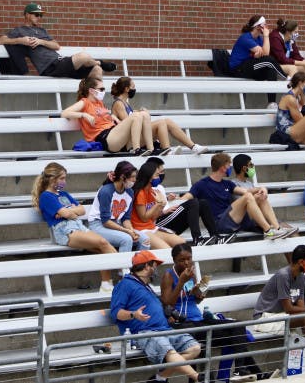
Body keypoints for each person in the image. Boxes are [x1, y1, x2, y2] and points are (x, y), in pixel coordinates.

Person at [160, 243, 265, 381]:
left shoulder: (191, 274)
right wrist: (180, 282)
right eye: (182, 260)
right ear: (174, 260)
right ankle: (258, 373)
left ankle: (240, 370)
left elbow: (194, 301)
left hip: (199, 320)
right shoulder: (168, 275)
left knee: (238, 327)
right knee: (235, 339)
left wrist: (199, 295)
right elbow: (167, 304)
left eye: (189, 259)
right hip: (183, 323)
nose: (186, 262)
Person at [109, 250, 201, 383]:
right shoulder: (125, 284)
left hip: (164, 329)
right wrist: (133, 314)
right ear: (146, 266)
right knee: (169, 352)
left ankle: (160, 377)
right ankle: (198, 377)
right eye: (154, 264)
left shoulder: (145, 285)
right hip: (143, 333)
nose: (156, 268)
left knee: (194, 348)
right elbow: (115, 313)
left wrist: (166, 316)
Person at [32, 162, 117, 291]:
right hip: (64, 231)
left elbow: (82, 210)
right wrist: (69, 211)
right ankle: (128, 270)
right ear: (52, 179)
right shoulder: (46, 196)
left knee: (102, 249)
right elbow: (67, 213)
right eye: (62, 178)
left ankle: (106, 284)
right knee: (102, 241)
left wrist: (69, 212)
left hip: (78, 226)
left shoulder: (64, 194)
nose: (64, 181)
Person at [189, 153, 296, 242]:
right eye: (228, 166)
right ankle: (268, 231)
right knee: (248, 197)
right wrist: (174, 197)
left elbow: (246, 191)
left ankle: (277, 228)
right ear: (223, 168)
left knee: (260, 196)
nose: (230, 168)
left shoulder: (227, 184)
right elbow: (186, 198)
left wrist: (261, 189)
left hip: (231, 219)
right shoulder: (202, 184)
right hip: (219, 224)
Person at [0, 2, 116, 78]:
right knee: (83, 57)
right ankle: (99, 61)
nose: (39, 18)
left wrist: (41, 41)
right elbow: (1, 40)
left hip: (60, 62)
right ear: (27, 15)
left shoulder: (42, 31)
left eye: (40, 15)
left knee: (97, 71)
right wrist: (20, 40)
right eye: (36, 15)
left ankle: (95, 105)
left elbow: (56, 46)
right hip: (50, 68)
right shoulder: (19, 31)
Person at [250, 245, 305, 362]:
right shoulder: (283, 275)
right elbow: (289, 308)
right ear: (301, 262)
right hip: (265, 318)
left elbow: (301, 305)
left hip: (282, 316)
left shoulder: (300, 276)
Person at [110, 77, 207, 154]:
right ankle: (166, 149)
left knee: (167, 121)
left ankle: (194, 147)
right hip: (129, 141)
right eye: (133, 87)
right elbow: (128, 124)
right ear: (127, 89)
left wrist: (140, 112)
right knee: (161, 122)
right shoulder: (118, 103)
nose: (134, 89)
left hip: (136, 136)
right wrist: (141, 114)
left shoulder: (125, 103)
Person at [61, 76, 153, 154]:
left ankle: (151, 149)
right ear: (92, 91)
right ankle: (136, 150)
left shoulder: (99, 103)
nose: (103, 91)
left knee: (144, 114)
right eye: (101, 89)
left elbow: (104, 117)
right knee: (136, 116)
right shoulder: (85, 102)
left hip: (113, 133)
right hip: (105, 138)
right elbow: (64, 113)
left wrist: (112, 117)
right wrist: (84, 115)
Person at [145, 157, 218, 245]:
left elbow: (161, 202)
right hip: (158, 223)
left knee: (203, 203)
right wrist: (164, 212)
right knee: (193, 203)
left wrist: (167, 199)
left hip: (169, 217)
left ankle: (216, 236)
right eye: (160, 172)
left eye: (163, 172)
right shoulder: (146, 189)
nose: (162, 175)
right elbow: (147, 214)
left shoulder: (160, 187)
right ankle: (197, 239)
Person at [87, 160, 143, 253]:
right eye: (132, 177)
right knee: (126, 239)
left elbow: (126, 218)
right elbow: (105, 221)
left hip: (116, 224)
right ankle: (123, 267)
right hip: (98, 225)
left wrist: (131, 231)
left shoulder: (130, 192)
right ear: (122, 177)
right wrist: (126, 231)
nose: (135, 180)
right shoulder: (106, 191)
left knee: (144, 240)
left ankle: (140, 267)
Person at [228, 16, 286, 108]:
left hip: (249, 66)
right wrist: (266, 36)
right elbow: (266, 54)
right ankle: (287, 78)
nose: (266, 26)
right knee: (269, 61)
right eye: (264, 24)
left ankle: (271, 103)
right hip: (238, 69)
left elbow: (263, 53)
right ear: (258, 26)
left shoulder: (258, 38)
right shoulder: (246, 38)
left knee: (271, 70)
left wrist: (258, 54)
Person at [130, 160, 187, 250]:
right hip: (140, 230)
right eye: (157, 175)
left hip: (152, 227)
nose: (159, 177)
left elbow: (153, 218)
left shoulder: (153, 191)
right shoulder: (140, 193)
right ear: (149, 177)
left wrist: (161, 205)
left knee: (183, 244)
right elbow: (144, 218)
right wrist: (157, 205)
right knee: (167, 249)